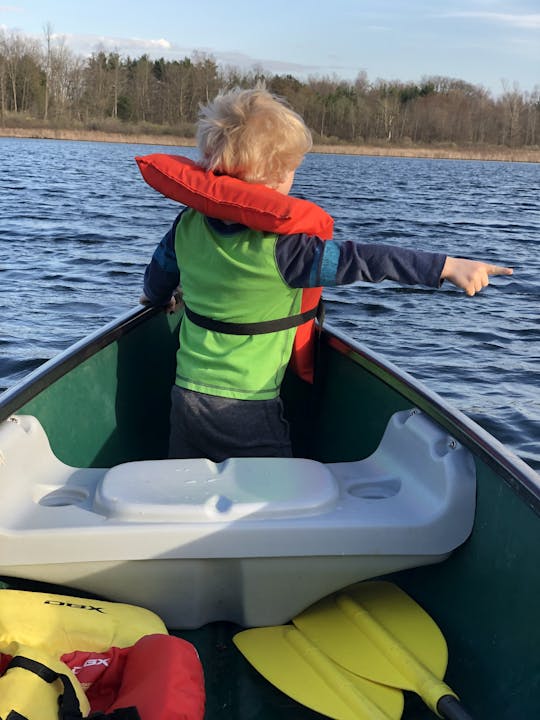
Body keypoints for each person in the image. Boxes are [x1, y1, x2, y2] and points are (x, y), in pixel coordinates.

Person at [141, 85, 513, 462]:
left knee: (188, 482)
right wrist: (447, 267)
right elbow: (368, 261)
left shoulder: (186, 226)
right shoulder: (288, 252)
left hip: (185, 395)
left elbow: (158, 277)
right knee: (276, 497)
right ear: (271, 180)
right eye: (290, 172)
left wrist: (158, 299)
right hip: (247, 409)